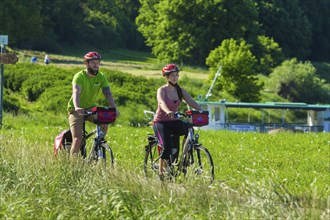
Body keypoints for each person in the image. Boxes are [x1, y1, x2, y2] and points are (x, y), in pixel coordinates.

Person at [153, 64, 204, 179]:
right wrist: (168, 111)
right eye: (172, 75)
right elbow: (161, 102)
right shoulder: (162, 90)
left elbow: (191, 101)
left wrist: (201, 111)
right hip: (161, 122)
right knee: (166, 148)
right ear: (166, 77)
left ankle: (183, 158)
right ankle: (161, 175)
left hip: (174, 121)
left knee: (188, 129)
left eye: (176, 75)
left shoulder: (180, 91)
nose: (175, 77)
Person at [67, 51, 119, 157]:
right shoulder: (79, 76)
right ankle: (72, 165)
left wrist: (114, 108)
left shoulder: (101, 76)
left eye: (97, 62)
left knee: (104, 120)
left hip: (91, 107)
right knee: (78, 138)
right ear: (86, 64)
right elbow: (76, 92)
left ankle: (97, 145)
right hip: (75, 109)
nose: (96, 65)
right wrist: (77, 107)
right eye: (93, 62)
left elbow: (107, 93)